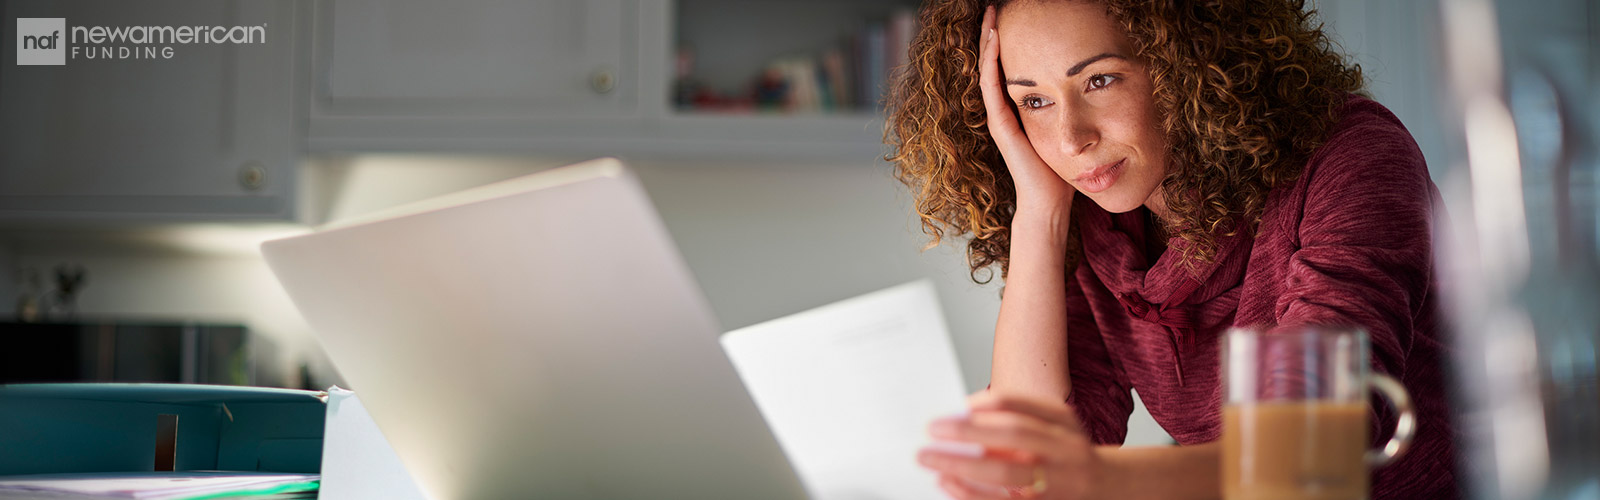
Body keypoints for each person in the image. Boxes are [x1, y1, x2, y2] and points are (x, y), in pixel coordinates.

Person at [884, 0, 1459, 498]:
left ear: (1188, 63)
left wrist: (1108, 481)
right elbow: (1028, 471)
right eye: (1033, 102)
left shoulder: (1351, 157)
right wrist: (1039, 209)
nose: (1070, 138)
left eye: (1100, 80)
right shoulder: (1096, 222)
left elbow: (1316, 442)